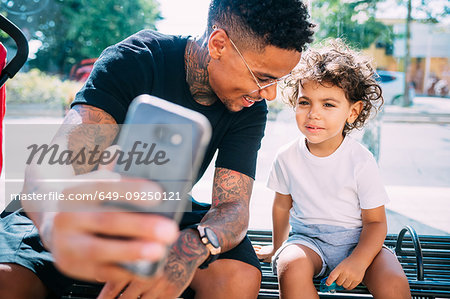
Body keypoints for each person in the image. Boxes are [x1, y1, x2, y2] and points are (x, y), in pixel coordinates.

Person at [0, 0, 314, 298]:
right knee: (6, 279)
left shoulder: (248, 104)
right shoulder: (136, 58)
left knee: (237, 277)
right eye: (263, 78)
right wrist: (57, 220)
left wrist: (194, 245)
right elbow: (58, 163)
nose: (270, 94)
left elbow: (233, 206)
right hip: (79, 201)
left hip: (165, 209)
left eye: (279, 81)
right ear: (219, 44)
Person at [254, 39, 411, 299]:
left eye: (328, 104)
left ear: (353, 111)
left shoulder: (360, 160)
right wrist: (277, 247)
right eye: (305, 102)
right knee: (289, 266)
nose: (314, 113)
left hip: (359, 241)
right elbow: (282, 205)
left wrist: (359, 261)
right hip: (308, 242)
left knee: (393, 281)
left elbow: (375, 222)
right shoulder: (286, 157)